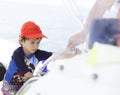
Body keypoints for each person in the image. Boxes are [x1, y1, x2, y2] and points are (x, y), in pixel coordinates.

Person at [1, 21, 53, 95]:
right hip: (10, 86)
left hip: (23, 85)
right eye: (32, 42)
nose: (36, 46)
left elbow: (51, 55)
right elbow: (21, 65)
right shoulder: (18, 53)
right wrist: (27, 73)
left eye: (38, 42)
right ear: (22, 41)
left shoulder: (37, 53)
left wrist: (62, 54)